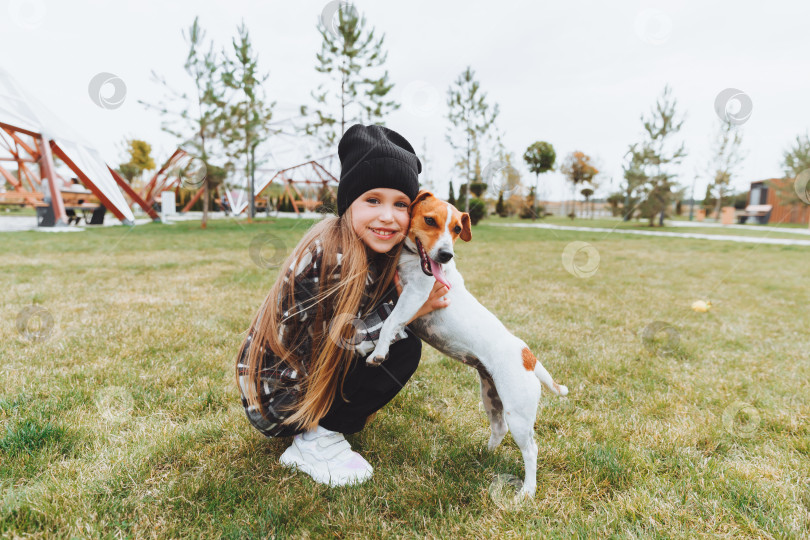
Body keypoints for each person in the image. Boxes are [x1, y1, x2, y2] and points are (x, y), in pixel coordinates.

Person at [235, 124, 451, 487]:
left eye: (400, 204)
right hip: (278, 404)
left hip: (297, 382)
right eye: (372, 200)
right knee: (403, 348)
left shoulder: (370, 248)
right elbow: (342, 339)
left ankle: (323, 421)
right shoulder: (333, 254)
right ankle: (314, 440)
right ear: (348, 202)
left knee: (397, 335)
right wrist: (413, 310)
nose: (387, 215)